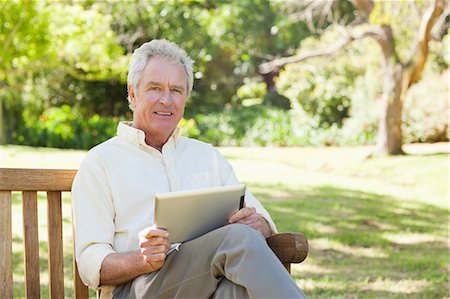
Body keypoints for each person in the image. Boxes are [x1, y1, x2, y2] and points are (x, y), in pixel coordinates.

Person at [72, 39, 306, 299]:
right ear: (133, 93)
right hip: (136, 290)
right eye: (155, 88)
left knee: (235, 290)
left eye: (176, 90)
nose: (166, 99)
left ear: (185, 98)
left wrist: (258, 223)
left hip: (206, 287)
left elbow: (258, 217)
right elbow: (91, 265)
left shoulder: (207, 157)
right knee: (238, 239)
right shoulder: (101, 162)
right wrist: (143, 260)